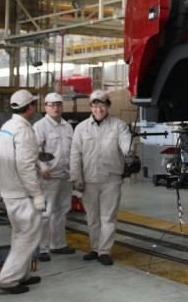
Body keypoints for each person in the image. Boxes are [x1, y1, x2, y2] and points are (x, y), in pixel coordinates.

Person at [70, 90, 132, 266]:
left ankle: (104, 251)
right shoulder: (81, 128)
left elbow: (125, 142)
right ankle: (95, 248)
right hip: (88, 180)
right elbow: (75, 154)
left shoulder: (118, 126)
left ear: (108, 106)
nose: (99, 109)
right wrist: (76, 177)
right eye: (95, 105)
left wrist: (130, 151)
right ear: (90, 107)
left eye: (102, 105)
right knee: (92, 217)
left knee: (108, 217)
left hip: (111, 179)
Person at [0, 90, 45, 294]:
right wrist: (37, 194)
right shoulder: (23, 130)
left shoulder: (7, 127)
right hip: (21, 192)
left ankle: (22, 274)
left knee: (20, 233)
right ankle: (8, 278)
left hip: (9, 189)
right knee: (28, 235)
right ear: (30, 107)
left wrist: (40, 164)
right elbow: (25, 166)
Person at [33, 92, 75, 262]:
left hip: (65, 175)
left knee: (61, 210)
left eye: (58, 104)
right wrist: (43, 167)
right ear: (46, 107)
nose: (56, 107)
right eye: (52, 105)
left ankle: (57, 244)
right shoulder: (40, 126)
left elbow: (73, 150)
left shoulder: (67, 126)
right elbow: (35, 149)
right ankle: (42, 248)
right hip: (48, 177)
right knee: (45, 212)